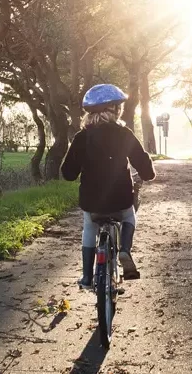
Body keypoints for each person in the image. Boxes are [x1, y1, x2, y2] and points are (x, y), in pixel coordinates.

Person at [61, 83, 155, 285]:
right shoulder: (124, 134)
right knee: (129, 215)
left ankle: (87, 276)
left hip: (91, 201)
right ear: (114, 110)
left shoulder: (81, 138)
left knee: (89, 227)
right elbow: (144, 167)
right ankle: (124, 251)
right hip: (120, 199)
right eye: (119, 107)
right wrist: (148, 171)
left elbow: (67, 173)